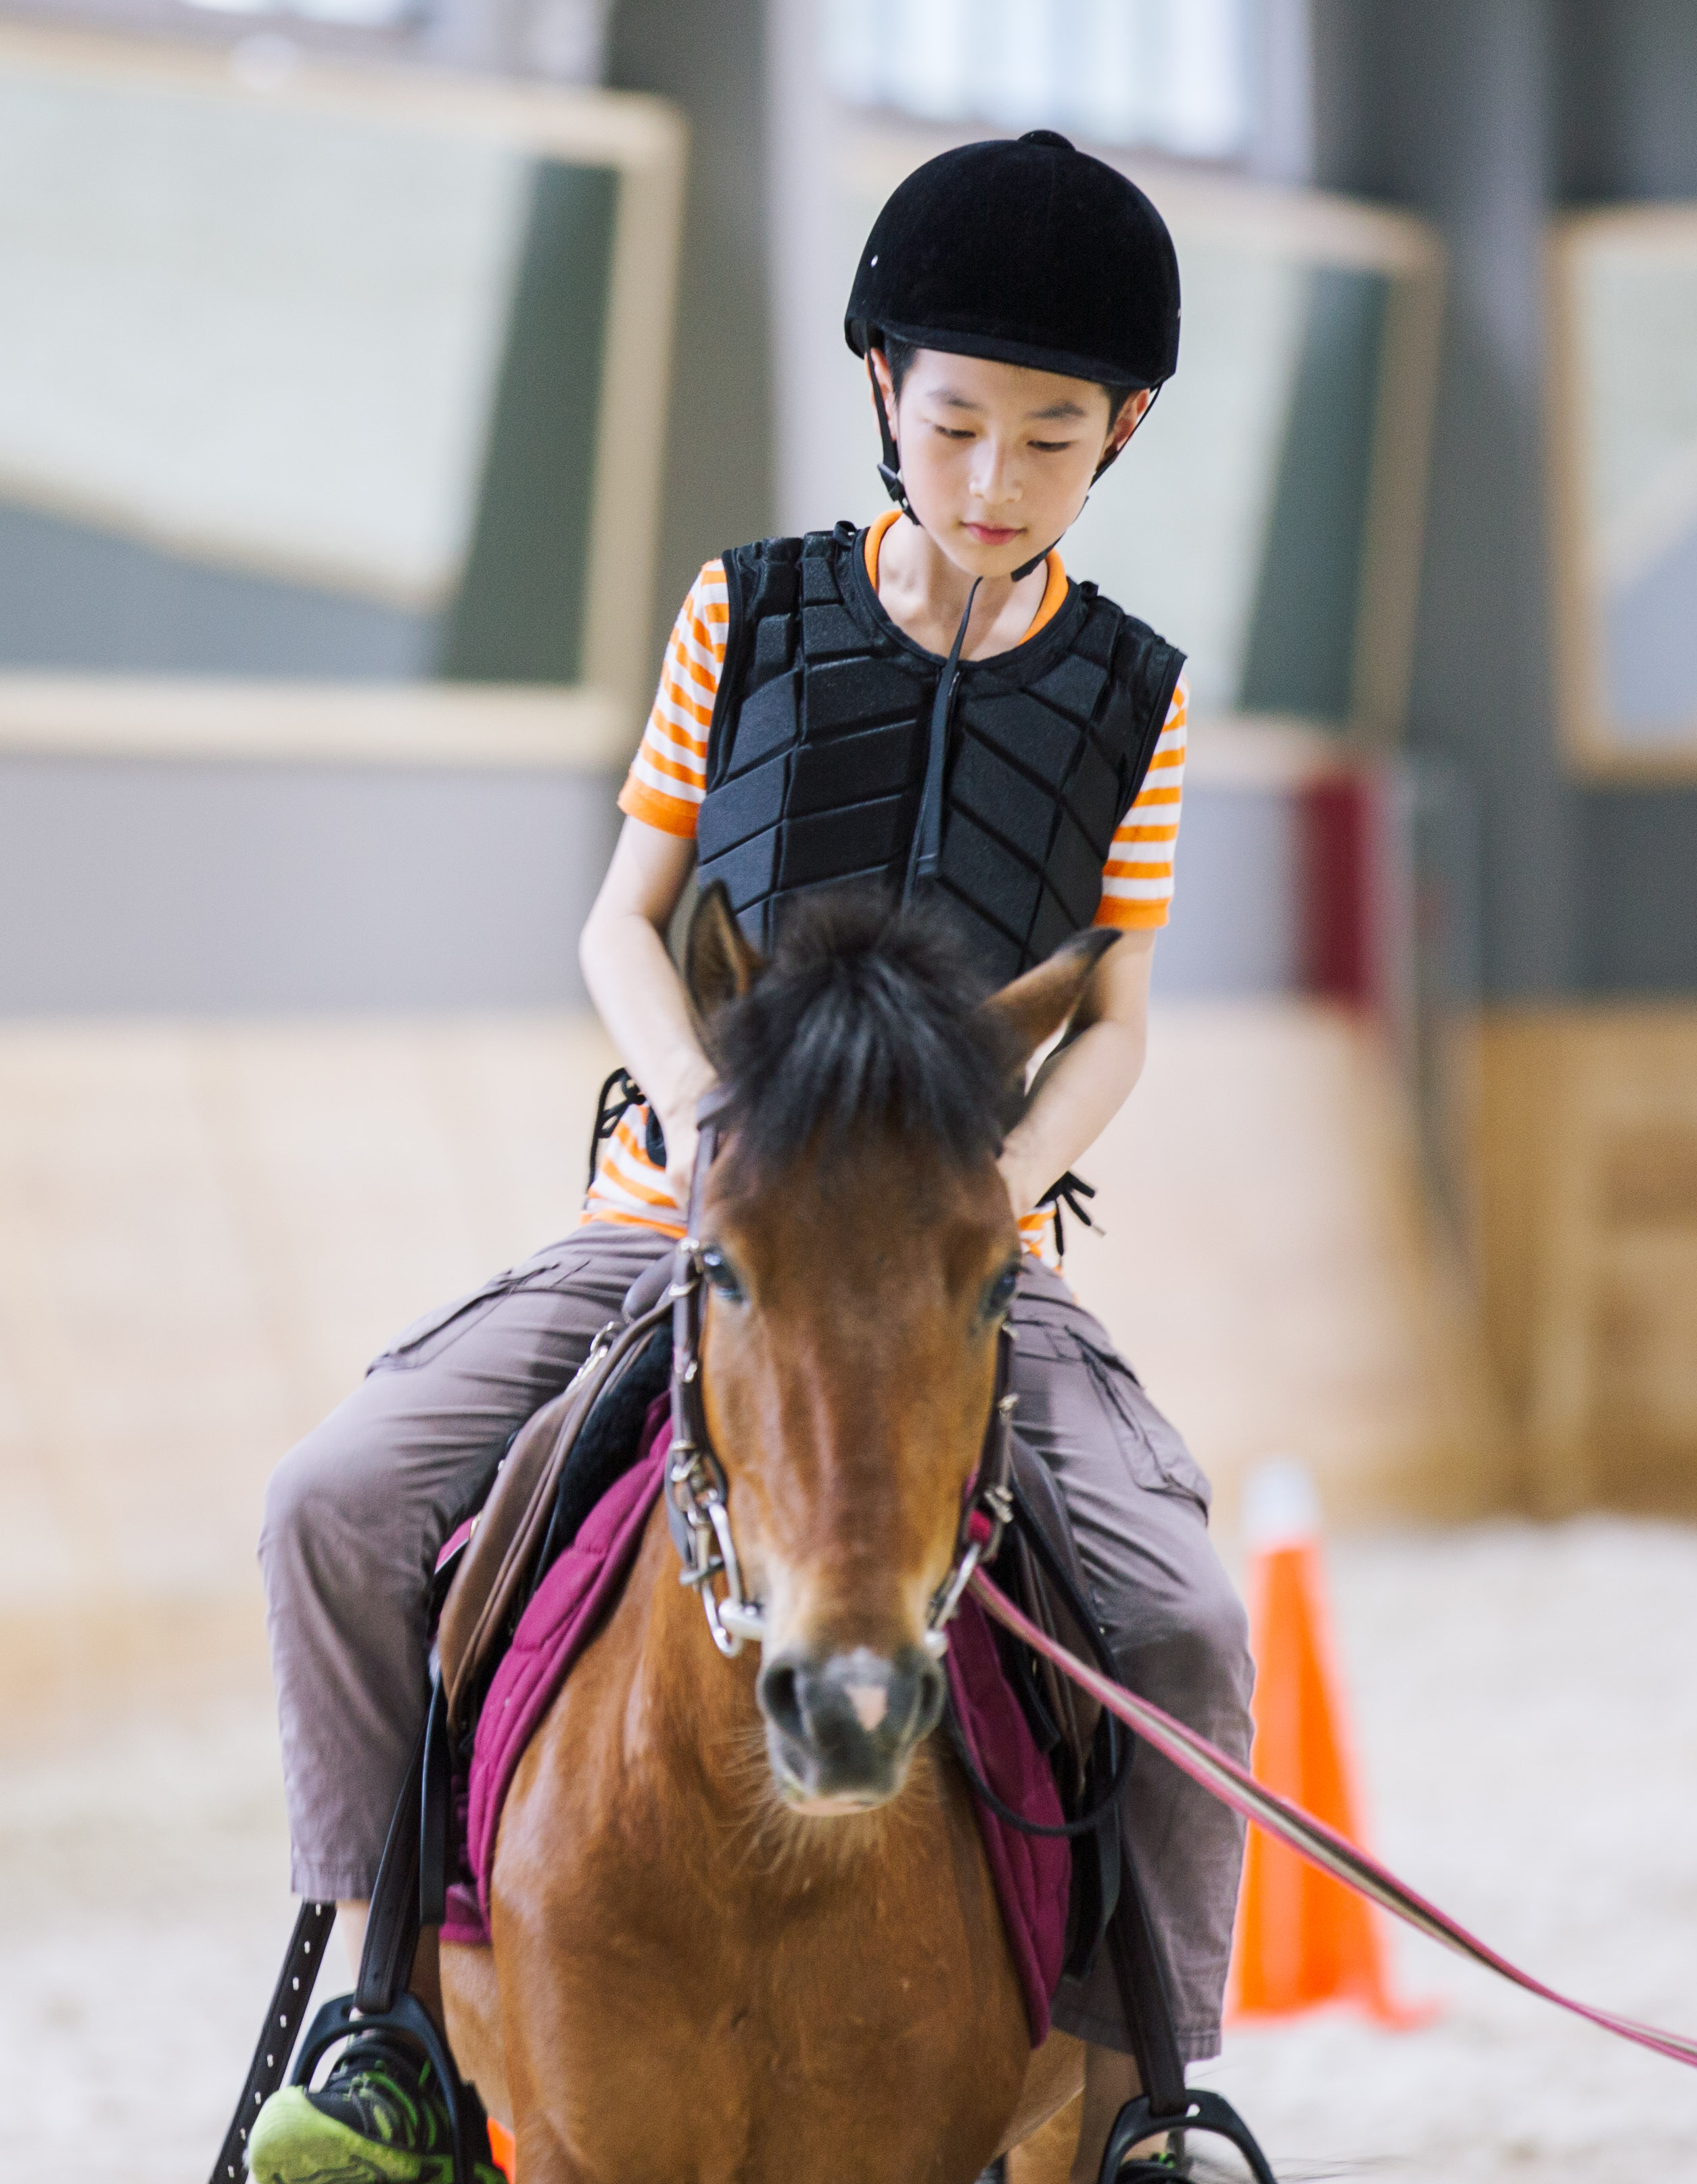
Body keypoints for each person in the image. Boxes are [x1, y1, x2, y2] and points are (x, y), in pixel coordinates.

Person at [253, 131, 1256, 2184]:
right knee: (336, 1505)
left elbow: (1117, 1020)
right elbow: (622, 919)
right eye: (957, 423)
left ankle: (1149, 2092)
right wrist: (712, 1130)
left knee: (1183, 1626)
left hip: (953, 1256)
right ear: (885, 387)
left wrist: (1001, 1190)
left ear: (1122, 438)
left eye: (1047, 441)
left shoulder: (1136, 703)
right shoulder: (750, 614)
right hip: (685, 1226)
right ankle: (387, 2030)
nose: (991, 480)